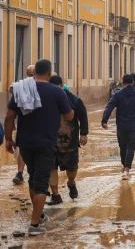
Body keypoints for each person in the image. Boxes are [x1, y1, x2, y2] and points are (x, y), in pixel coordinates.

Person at [4, 59, 74, 235]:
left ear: (34, 73)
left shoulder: (22, 89)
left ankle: (39, 213)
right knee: (42, 183)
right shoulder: (57, 92)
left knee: (33, 177)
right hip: (46, 144)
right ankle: (34, 225)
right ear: (50, 73)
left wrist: (8, 139)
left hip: (25, 143)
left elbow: (9, 116)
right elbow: (70, 116)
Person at [101, 74, 135, 179]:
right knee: (131, 147)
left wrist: (104, 120)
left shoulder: (117, 95)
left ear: (123, 83)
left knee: (123, 146)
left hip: (121, 126)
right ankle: (127, 168)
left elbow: (109, 107)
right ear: (133, 83)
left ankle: (124, 165)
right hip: (134, 126)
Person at [47, 75, 89, 205]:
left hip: (69, 142)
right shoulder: (45, 99)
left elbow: (83, 116)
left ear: (61, 86)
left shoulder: (74, 100)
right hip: (50, 142)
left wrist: (83, 134)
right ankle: (56, 195)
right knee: (51, 168)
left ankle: (71, 182)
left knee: (71, 168)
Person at [11, 65, 35, 185]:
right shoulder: (20, 89)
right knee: (21, 149)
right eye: (29, 75)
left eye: (33, 75)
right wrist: (12, 125)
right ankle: (20, 173)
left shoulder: (45, 88)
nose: (32, 77)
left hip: (41, 128)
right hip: (23, 126)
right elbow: (12, 109)